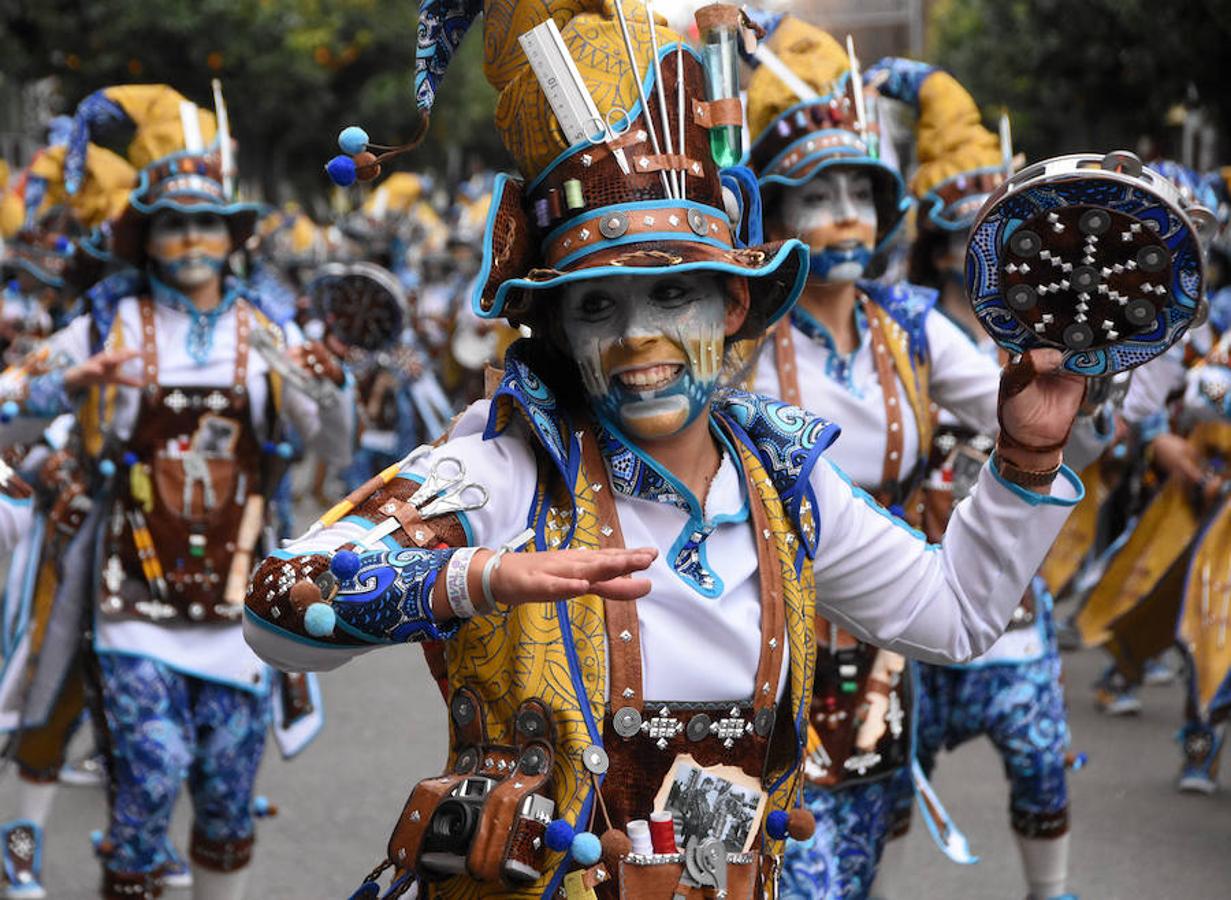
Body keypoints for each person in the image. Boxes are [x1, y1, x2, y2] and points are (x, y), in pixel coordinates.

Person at [246, 6, 1085, 898]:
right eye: (598, 307)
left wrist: (1026, 461)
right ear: (559, 328)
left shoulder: (783, 482)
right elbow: (278, 613)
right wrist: (473, 579)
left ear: (731, 309)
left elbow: (951, 617)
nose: (640, 336)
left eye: (672, 295)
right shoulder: (506, 470)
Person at [18, 84, 353, 900]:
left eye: (207, 223)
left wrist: (333, 391)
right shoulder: (105, 325)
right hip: (129, 601)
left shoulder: (270, 331)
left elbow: (331, 454)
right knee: (151, 776)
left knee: (228, 803)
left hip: (238, 609)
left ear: (232, 237)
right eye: (173, 224)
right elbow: (10, 415)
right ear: (148, 238)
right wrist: (64, 385)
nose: (192, 238)